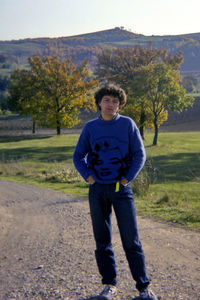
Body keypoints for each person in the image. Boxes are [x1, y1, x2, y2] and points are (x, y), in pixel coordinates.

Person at [73, 84, 158, 300]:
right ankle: (109, 286)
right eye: (107, 100)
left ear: (119, 105)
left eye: (115, 101)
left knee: (131, 239)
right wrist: (88, 177)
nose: (111, 104)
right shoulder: (90, 128)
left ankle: (143, 288)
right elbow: (78, 156)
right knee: (102, 240)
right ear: (100, 103)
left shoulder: (128, 124)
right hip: (98, 189)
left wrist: (128, 177)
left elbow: (140, 154)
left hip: (121, 189)